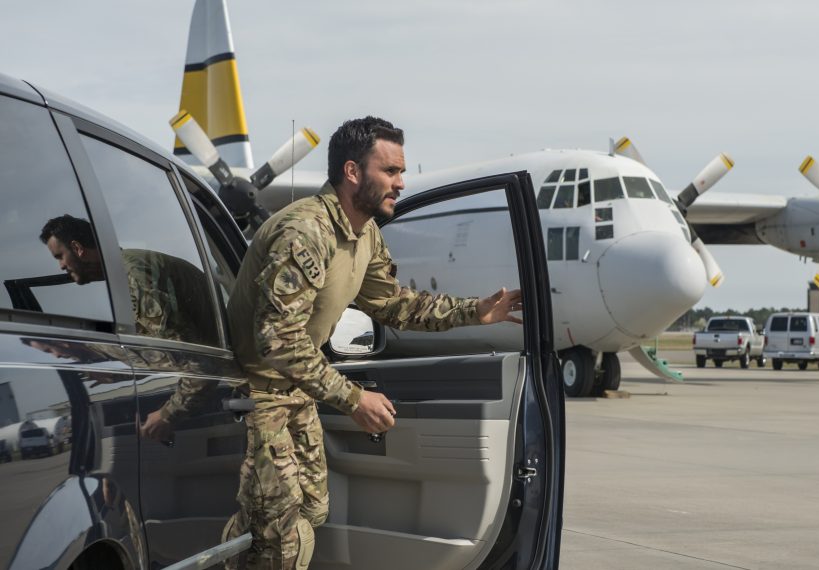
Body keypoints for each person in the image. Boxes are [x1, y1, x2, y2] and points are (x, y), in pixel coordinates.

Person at [222, 116, 522, 569]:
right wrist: (353, 397)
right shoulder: (306, 231)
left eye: (401, 172)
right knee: (280, 538)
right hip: (258, 397)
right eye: (391, 171)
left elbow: (394, 305)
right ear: (352, 172)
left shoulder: (364, 235)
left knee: (309, 513)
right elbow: (277, 339)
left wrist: (474, 312)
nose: (401, 183)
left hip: (297, 394)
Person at [39, 215, 218, 440]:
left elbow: (199, 362)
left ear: (78, 248)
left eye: (60, 256)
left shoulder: (136, 277)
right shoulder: (128, 272)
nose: (61, 266)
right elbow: (162, 351)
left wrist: (167, 415)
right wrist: (115, 371)